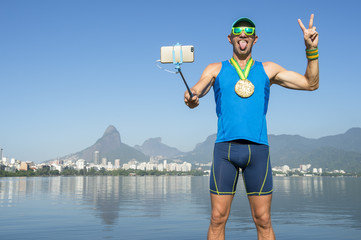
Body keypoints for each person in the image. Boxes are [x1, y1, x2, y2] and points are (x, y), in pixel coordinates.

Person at [184, 14, 319, 240]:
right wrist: (190, 97)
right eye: (238, 32)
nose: (243, 35)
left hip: (258, 151)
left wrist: (311, 50)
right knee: (217, 218)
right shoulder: (215, 68)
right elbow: (196, 91)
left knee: (263, 220)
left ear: (256, 39)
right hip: (225, 151)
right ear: (230, 38)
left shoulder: (268, 69)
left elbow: (311, 84)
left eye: (248, 32)